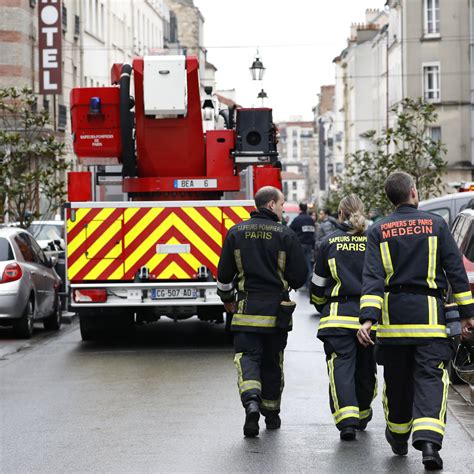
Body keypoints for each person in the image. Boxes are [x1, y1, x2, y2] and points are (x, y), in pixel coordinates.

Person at [358, 171, 474, 470]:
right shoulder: (436, 224)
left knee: (397, 383)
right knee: (431, 380)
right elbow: (455, 272)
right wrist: (467, 314)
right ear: (413, 192)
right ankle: (429, 445)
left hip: (393, 322)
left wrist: (368, 319)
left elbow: (372, 279)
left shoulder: (378, 230)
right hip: (430, 320)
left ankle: (398, 437)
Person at [216, 186, 307, 438]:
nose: (282, 208)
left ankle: (251, 403)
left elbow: (224, 276)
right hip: (277, 313)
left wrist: (226, 299)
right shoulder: (286, 235)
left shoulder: (235, 233)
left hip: (245, 311)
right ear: (270, 205)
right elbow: (300, 277)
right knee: (272, 362)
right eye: (281, 204)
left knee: (247, 359)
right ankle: (272, 413)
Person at [310, 194, 376, 441]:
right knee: (366, 369)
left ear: (340, 214)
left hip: (337, 318)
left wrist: (320, 305)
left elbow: (318, 285)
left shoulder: (328, 242)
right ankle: (363, 414)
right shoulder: (374, 240)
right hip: (370, 320)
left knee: (341, 369)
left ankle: (347, 422)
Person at [290, 202, 316, 289]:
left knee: (300, 265)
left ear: (300, 209)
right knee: (308, 264)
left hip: (300, 245)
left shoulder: (297, 219)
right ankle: (309, 284)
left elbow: (290, 230)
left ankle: (303, 284)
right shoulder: (311, 219)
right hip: (309, 245)